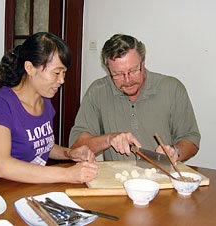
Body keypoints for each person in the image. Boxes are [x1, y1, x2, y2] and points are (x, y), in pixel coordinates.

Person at [0, 32, 98, 183]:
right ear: (30, 68)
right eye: (56, 72)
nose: (61, 80)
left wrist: (69, 153)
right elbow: (2, 166)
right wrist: (67, 174)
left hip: (30, 187)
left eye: (64, 73)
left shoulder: (44, 101)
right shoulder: (1, 103)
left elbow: (42, 146)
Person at [69, 34, 201, 163]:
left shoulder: (172, 88)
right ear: (108, 70)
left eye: (133, 71)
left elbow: (191, 139)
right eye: (118, 74)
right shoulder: (98, 91)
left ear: (143, 62)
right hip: (117, 180)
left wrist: (175, 151)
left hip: (162, 179)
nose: (127, 80)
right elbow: (76, 147)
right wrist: (108, 139)